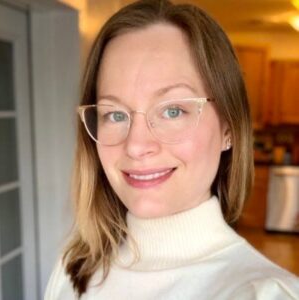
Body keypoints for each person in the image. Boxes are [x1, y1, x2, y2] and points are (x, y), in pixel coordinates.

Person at [45, 0, 299, 299]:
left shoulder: (264, 294)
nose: (137, 146)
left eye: (173, 111)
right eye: (115, 114)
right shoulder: (73, 270)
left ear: (228, 128)